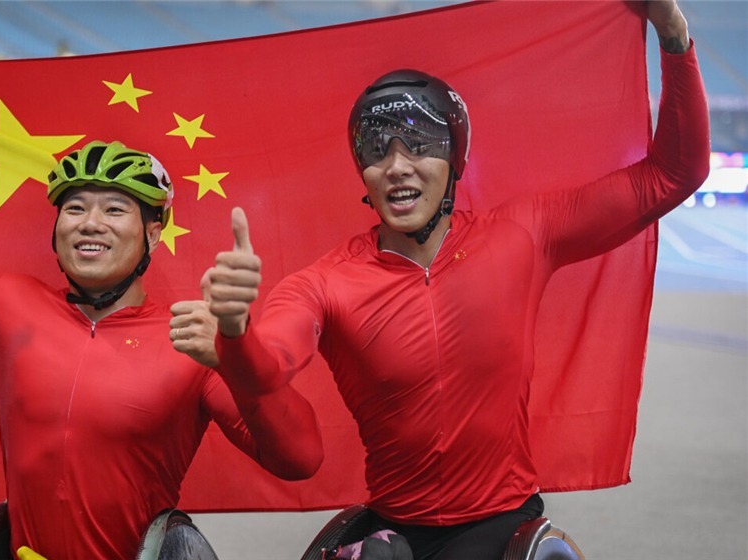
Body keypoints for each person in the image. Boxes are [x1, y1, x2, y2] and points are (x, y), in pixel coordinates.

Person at [194, 1, 710, 559]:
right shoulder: (323, 283)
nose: (397, 165)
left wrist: (673, 35)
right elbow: (270, 367)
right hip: (393, 536)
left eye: (419, 144)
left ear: (455, 158)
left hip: (503, 525)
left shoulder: (523, 235)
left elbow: (673, 174)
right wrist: (236, 332)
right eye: (377, 149)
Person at [0, 53, 322, 560]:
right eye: (75, 208)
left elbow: (298, 459)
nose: (90, 223)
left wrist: (237, 351)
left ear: (153, 233)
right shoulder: (6, 305)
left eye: (115, 209)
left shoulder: (191, 341)